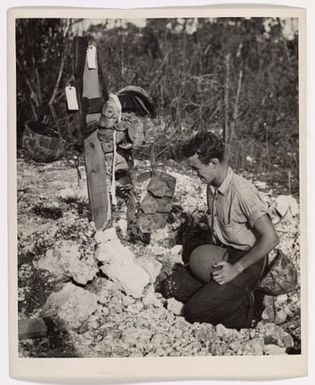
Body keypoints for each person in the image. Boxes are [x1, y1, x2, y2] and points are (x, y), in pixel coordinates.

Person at [170, 131, 279, 329]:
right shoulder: (211, 187)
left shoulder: (242, 192)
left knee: (194, 311)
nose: (196, 175)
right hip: (226, 254)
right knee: (173, 287)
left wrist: (235, 270)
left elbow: (271, 238)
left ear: (212, 163)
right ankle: (226, 293)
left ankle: (251, 309)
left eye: (197, 169)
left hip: (248, 262)